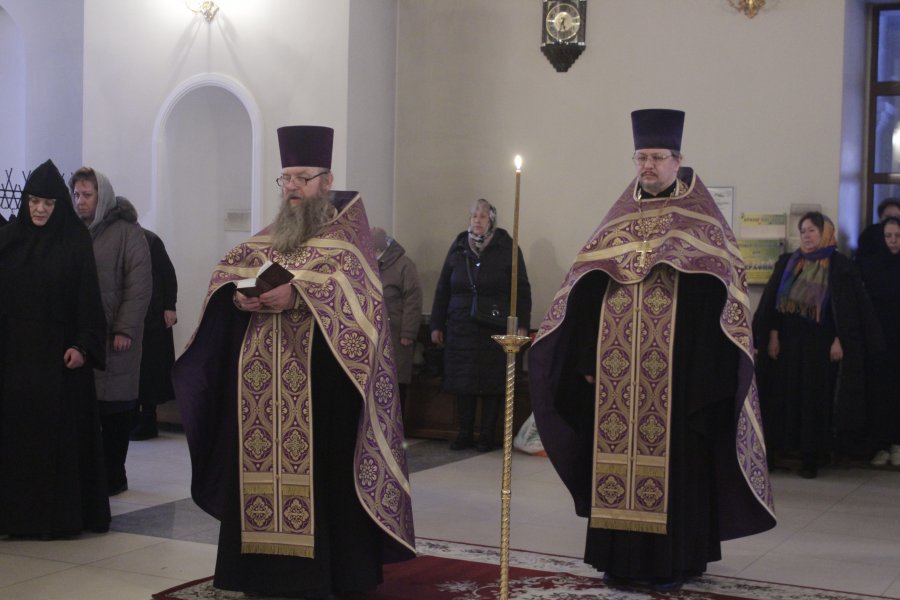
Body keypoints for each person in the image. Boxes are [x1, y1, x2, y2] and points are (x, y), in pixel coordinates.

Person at [528, 109, 776, 591]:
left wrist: (700, 374)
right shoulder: (618, 220)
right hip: (616, 378)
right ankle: (618, 561)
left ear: (677, 160)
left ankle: (674, 561)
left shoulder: (703, 221)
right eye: (641, 157)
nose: (647, 165)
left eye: (657, 157)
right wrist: (586, 360)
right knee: (614, 464)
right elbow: (585, 290)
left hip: (680, 380)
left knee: (679, 468)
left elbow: (723, 294)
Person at [173, 126, 415, 598]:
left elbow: (362, 308)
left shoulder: (348, 244)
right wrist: (238, 298)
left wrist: (301, 295)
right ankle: (260, 575)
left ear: (327, 181)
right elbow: (230, 273)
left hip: (325, 394)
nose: (292, 188)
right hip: (261, 395)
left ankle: (328, 575)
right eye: (285, 179)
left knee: (326, 481)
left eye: (302, 178)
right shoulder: (268, 241)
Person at [0, 159, 110, 537]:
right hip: (13, 360)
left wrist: (83, 345)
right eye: (34, 201)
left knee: (55, 442)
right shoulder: (8, 241)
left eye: (48, 203)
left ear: (58, 205)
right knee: (15, 439)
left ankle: (56, 518)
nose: (40, 209)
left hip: (58, 361)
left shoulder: (74, 243)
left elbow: (88, 300)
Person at [754, 212, 879, 477]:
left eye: (812, 230)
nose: (807, 236)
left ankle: (810, 457)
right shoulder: (789, 262)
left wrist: (840, 339)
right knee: (783, 397)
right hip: (788, 343)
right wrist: (772, 334)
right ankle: (779, 451)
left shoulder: (839, 266)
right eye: (803, 231)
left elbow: (846, 310)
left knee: (813, 400)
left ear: (824, 233)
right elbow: (773, 303)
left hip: (819, 345)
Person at [71, 168, 152, 495]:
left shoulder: (127, 232)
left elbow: (139, 285)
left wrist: (125, 329)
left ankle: (115, 475)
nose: (80, 201)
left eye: (87, 195)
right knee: (88, 409)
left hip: (116, 336)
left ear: (101, 196)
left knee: (116, 408)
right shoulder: (75, 231)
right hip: (86, 336)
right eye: (76, 194)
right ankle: (91, 476)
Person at [430, 199, 531, 452]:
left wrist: (522, 324)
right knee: (463, 382)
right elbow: (443, 288)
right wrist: (436, 324)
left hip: (493, 325)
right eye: (474, 216)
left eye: (483, 217)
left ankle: (486, 435)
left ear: (491, 221)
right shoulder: (458, 246)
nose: (477, 220)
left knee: (492, 382)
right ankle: (464, 433)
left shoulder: (507, 248)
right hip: (460, 325)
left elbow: (521, 289)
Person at [123, 201, 178, 441]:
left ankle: (148, 420)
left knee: (150, 370)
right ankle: (134, 419)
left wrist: (169, 306)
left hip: (153, 318)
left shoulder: (151, 241)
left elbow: (167, 274)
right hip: (133, 317)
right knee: (133, 370)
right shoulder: (122, 242)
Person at [857, 217, 900, 466]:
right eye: (888, 236)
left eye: (897, 236)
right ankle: (882, 444)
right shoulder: (871, 266)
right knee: (880, 392)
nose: (893, 241)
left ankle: (897, 444)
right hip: (879, 339)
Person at [372, 226, 423, 419]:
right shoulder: (365, 262)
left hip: (396, 334)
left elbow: (413, 299)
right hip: (372, 335)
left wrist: (408, 332)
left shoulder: (404, 265)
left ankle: (396, 428)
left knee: (395, 383)